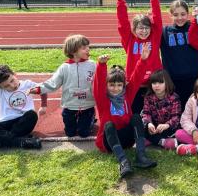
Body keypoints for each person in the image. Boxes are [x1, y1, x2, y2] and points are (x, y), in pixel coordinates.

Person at [93, 46, 156, 178]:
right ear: (107, 85)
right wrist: (101, 65)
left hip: (126, 140)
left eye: (119, 85)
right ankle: (123, 161)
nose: (115, 88)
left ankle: (141, 156)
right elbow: (98, 85)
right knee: (109, 125)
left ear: (123, 86)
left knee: (136, 117)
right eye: (112, 85)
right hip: (109, 141)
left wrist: (143, 60)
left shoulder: (127, 95)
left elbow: (136, 78)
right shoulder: (103, 99)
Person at [30, 35, 96, 137]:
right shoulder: (64, 68)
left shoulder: (92, 65)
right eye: (84, 48)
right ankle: (77, 123)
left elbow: (101, 80)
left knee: (84, 133)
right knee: (70, 133)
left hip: (87, 105)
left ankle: (91, 118)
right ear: (73, 51)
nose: (88, 49)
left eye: (88, 47)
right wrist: (39, 89)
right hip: (70, 105)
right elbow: (53, 82)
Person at [115, 0, 162, 114]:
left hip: (153, 84)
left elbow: (157, 17)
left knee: (153, 114)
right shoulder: (129, 39)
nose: (144, 31)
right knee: (134, 114)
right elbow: (122, 21)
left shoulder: (154, 37)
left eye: (147, 28)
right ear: (134, 29)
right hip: (134, 83)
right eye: (140, 28)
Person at [161, 0, 198, 109]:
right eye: (176, 15)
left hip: (192, 78)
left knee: (191, 109)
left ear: (188, 14)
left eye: (183, 14)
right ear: (170, 15)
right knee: (175, 110)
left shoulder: (195, 28)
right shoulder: (165, 32)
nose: (180, 18)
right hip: (172, 80)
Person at [0, 64, 46, 151]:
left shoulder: (27, 85)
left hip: (23, 121)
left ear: (14, 74)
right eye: (6, 86)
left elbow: (42, 89)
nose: (12, 86)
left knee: (32, 115)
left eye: (12, 80)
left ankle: (1, 141)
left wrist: (43, 106)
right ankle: (21, 141)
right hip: (5, 123)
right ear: (0, 87)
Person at [141, 69, 181, 150]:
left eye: (160, 83)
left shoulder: (174, 97)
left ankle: (154, 140)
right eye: (154, 83)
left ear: (167, 83)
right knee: (142, 126)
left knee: (178, 132)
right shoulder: (148, 97)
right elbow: (146, 113)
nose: (157, 86)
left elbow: (176, 117)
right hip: (154, 127)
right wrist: (149, 124)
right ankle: (162, 141)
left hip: (169, 127)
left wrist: (167, 125)